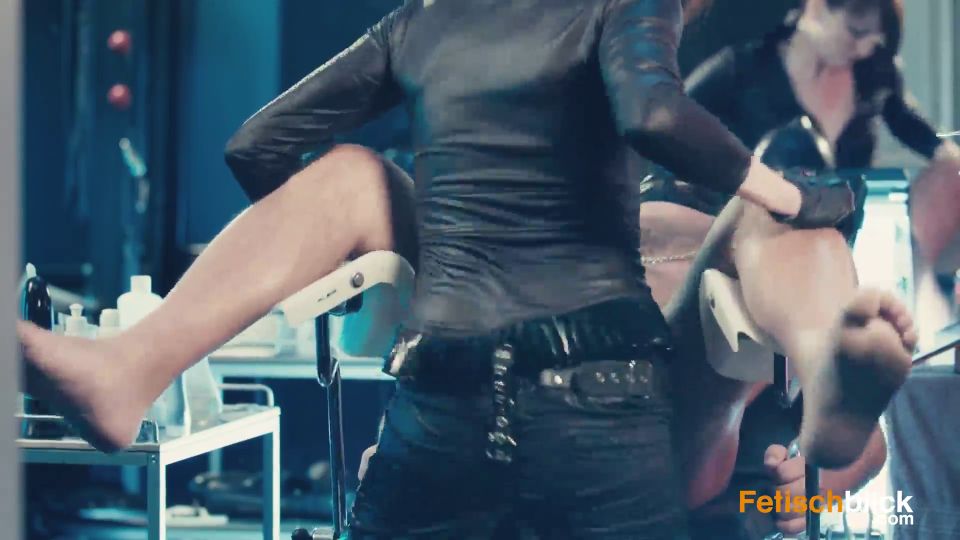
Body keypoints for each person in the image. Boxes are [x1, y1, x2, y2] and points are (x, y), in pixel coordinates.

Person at [19, 0, 895, 537]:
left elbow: (851, 476)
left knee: (777, 226)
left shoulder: (732, 205)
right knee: (357, 176)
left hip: (675, 403)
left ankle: (830, 387)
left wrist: (804, 495)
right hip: (526, 347)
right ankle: (132, 364)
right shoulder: (564, 128)